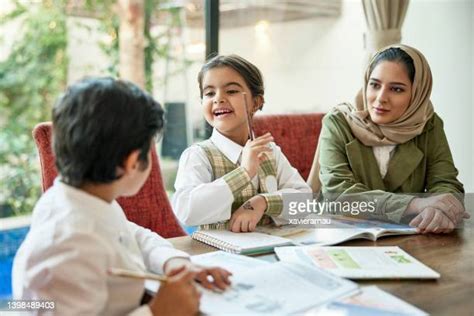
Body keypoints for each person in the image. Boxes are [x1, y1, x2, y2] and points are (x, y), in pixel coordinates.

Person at [13, 77, 231, 315]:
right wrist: (157, 312)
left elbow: (133, 235)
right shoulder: (65, 248)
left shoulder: (83, 201)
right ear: (131, 162)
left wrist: (172, 261)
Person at [307, 44, 469, 234]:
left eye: (397, 89)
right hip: (341, 234)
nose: (381, 98)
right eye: (374, 85)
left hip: (411, 237)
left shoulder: (428, 125)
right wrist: (415, 204)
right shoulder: (338, 122)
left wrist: (439, 209)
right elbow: (339, 195)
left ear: (417, 93)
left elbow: (446, 181)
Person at [172, 54, 311, 233]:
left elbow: (305, 202)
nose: (218, 99)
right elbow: (187, 211)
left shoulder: (269, 152)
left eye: (231, 91)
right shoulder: (198, 155)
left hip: (271, 253)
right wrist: (243, 173)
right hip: (218, 256)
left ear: (256, 102)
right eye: (209, 93)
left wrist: (263, 202)